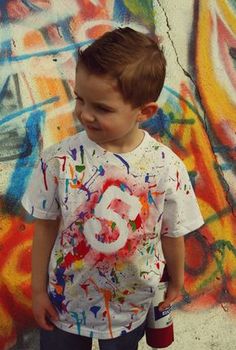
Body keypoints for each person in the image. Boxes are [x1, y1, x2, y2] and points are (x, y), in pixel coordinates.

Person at [21, 27, 204, 350]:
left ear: (144, 112)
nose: (84, 114)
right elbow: (46, 227)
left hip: (130, 307)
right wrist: (37, 292)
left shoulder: (165, 167)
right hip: (65, 304)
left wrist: (176, 281)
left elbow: (172, 233)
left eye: (102, 108)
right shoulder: (59, 160)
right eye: (80, 99)